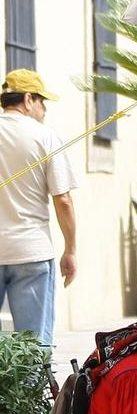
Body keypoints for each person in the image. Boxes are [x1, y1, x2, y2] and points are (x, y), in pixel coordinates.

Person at [0, 69, 78, 346]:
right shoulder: (45, 136)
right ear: (28, 99)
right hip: (31, 252)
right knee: (32, 347)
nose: (44, 110)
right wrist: (70, 249)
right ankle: (31, 392)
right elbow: (63, 200)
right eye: (42, 102)